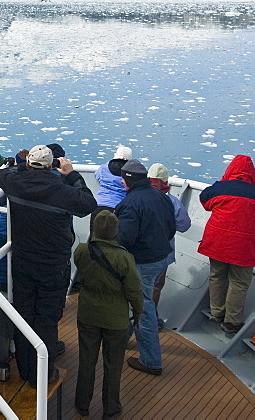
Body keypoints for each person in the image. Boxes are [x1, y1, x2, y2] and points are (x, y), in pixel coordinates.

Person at [0, 144, 96, 387]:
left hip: (23, 263)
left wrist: (17, 169)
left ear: (28, 164)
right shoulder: (63, 191)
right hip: (54, 266)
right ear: (52, 167)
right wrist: (72, 174)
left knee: (24, 314)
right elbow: (88, 203)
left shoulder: (15, 183)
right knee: (47, 319)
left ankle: (26, 370)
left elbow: (1, 174)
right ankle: (42, 373)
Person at [198, 155, 255, 335]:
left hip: (217, 242)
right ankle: (232, 322)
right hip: (243, 247)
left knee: (217, 275)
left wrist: (222, 183)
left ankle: (216, 312)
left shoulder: (219, 188)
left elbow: (204, 200)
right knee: (239, 283)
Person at [73, 210, 144, 420]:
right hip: (115, 319)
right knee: (113, 364)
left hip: (87, 313)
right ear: (115, 231)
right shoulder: (124, 257)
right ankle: (110, 408)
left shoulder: (82, 251)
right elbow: (134, 290)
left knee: (86, 360)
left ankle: (82, 404)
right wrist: (138, 311)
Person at [114, 159, 176, 377]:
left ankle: (151, 361)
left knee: (143, 309)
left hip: (142, 262)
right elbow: (171, 227)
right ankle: (121, 339)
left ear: (128, 180)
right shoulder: (160, 196)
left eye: (123, 178)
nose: (121, 182)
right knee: (135, 300)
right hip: (160, 258)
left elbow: (125, 237)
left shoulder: (131, 203)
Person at [147, 163, 192, 322]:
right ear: (166, 182)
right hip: (162, 254)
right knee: (156, 286)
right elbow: (184, 225)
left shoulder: (137, 196)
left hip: (138, 252)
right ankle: (150, 318)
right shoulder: (172, 202)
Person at [94, 145, 133, 222]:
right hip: (119, 209)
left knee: (95, 233)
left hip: (99, 206)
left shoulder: (104, 168)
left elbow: (97, 176)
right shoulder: (130, 172)